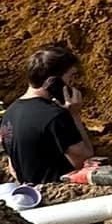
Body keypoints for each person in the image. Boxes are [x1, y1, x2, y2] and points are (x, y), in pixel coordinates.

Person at [2, 43, 94, 186]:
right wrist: (74, 116)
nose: (71, 85)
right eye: (69, 78)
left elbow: (13, 169)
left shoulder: (9, 114)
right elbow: (84, 161)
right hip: (61, 196)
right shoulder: (54, 116)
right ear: (52, 82)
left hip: (31, 197)